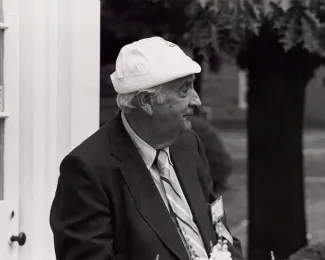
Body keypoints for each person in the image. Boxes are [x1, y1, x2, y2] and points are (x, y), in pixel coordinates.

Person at [50, 37, 244, 260]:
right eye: (184, 90)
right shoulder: (88, 169)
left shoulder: (189, 144)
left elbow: (217, 229)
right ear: (146, 102)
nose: (197, 101)